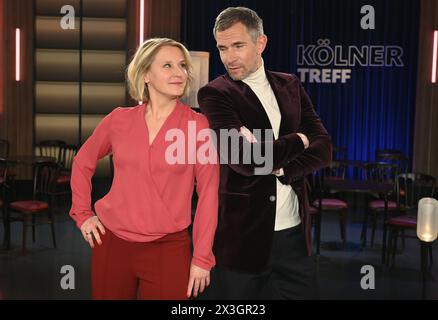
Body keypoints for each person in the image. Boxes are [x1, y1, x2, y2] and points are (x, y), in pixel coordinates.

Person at [198, 7, 332, 299]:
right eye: (222, 48)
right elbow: (245, 160)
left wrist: (282, 167)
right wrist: (298, 139)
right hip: (242, 239)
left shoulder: (291, 85)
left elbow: (324, 148)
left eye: (238, 46)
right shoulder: (215, 94)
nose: (229, 57)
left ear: (261, 43)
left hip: (294, 235)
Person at [69, 38, 219, 300]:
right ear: (146, 74)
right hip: (112, 243)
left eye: (183, 65)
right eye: (168, 65)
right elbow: (82, 162)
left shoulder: (198, 126)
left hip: (168, 248)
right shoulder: (118, 120)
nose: (179, 73)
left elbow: (209, 195)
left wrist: (202, 257)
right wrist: (82, 213)